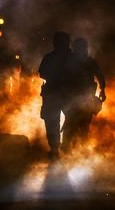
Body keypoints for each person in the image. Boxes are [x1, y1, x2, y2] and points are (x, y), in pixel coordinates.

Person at [60, 38, 106, 153]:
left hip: (86, 98)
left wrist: (102, 90)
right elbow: (62, 78)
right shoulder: (69, 61)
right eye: (80, 47)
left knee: (83, 124)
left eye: (83, 47)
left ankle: (80, 147)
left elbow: (100, 77)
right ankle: (67, 146)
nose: (82, 50)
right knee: (71, 122)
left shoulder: (90, 62)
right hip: (72, 97)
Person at [39, 31, 73, 160]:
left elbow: (42, 73)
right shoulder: (70, 57)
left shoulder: (50, 57)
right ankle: (57, 147)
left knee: (58, 121)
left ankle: (59, 147)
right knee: (57, 120)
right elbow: (42, 73)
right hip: (59, 93)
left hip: (61, 93)